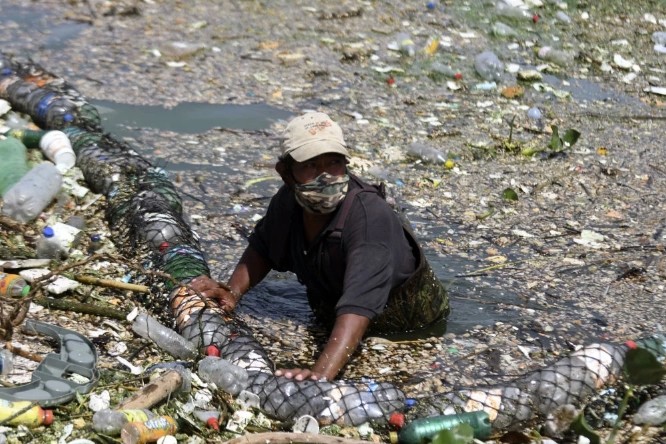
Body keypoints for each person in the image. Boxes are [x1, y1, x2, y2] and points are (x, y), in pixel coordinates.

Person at [191, 112, 449, 382]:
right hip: (334, 312)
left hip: (404, 327)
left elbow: (357, 307)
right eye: (310, 166)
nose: (325, 176)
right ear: (286, 173)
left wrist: (320, 374)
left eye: (334, 163)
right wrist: (232, 292)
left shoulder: (369, 217)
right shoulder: (288, 204)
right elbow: (263, 249)